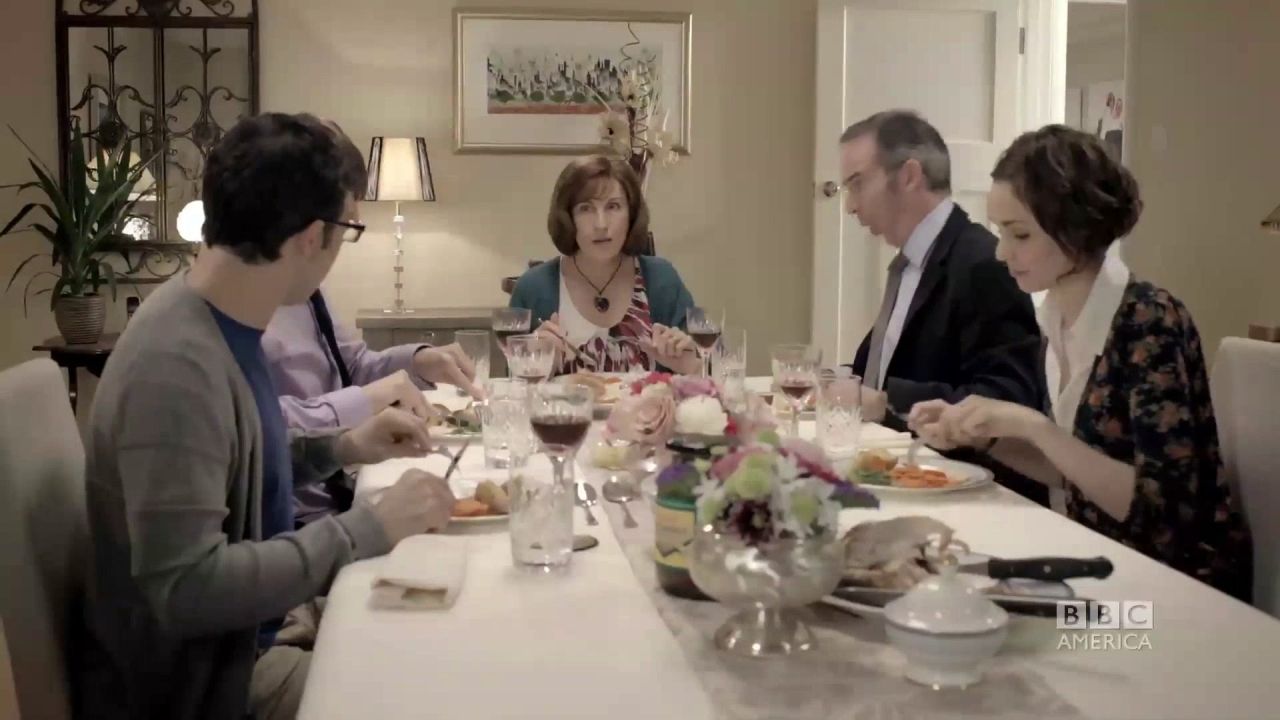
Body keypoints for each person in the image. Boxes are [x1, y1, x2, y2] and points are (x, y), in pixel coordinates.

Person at [77, 112, 458, 720]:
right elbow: (186, 589)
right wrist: (366, 530)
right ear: (311, 236)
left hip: (260, 631)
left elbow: (236, 463)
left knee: (448, 637)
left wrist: (342, 447)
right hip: (215, 679)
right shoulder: (175, 364)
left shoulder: (221, 317)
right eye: (347, 229)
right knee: (441, 690)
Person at [909, 125, 1252, 602]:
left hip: (1177, 595)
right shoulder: (1055, 320)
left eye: (1020, 234)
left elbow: (1164, 515)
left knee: (988, 621)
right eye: (1000, 232)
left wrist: (1033, 426)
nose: (1002, 252)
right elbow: (1074, 474)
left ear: (1076, 228)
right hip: (1101, 566)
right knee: (935, 595)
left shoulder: (1150, 322)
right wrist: (985, 437)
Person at [838, 110, 1045, 426]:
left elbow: (1007, 397)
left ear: (909, 176)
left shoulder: (984, 264)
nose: (850, 206)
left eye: (857, 184)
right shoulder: (907, 265)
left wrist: (886, 402)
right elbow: (882, 374)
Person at [263, 289, 480, 524]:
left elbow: (351, 365)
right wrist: (363, 401)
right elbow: (253, 428)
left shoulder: (307, 293)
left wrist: (416, 362)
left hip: (344, 494)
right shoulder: (240, 308)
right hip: (292, 520)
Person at [509, 155, 699, 375]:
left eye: (613, 206)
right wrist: (535, 365)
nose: (601, 224)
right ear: (567, 218)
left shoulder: (661, 279)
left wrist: (690, 366)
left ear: (631, 214)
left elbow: (713, 367)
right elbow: (508, 387)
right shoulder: (532, 288)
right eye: (585, 209)